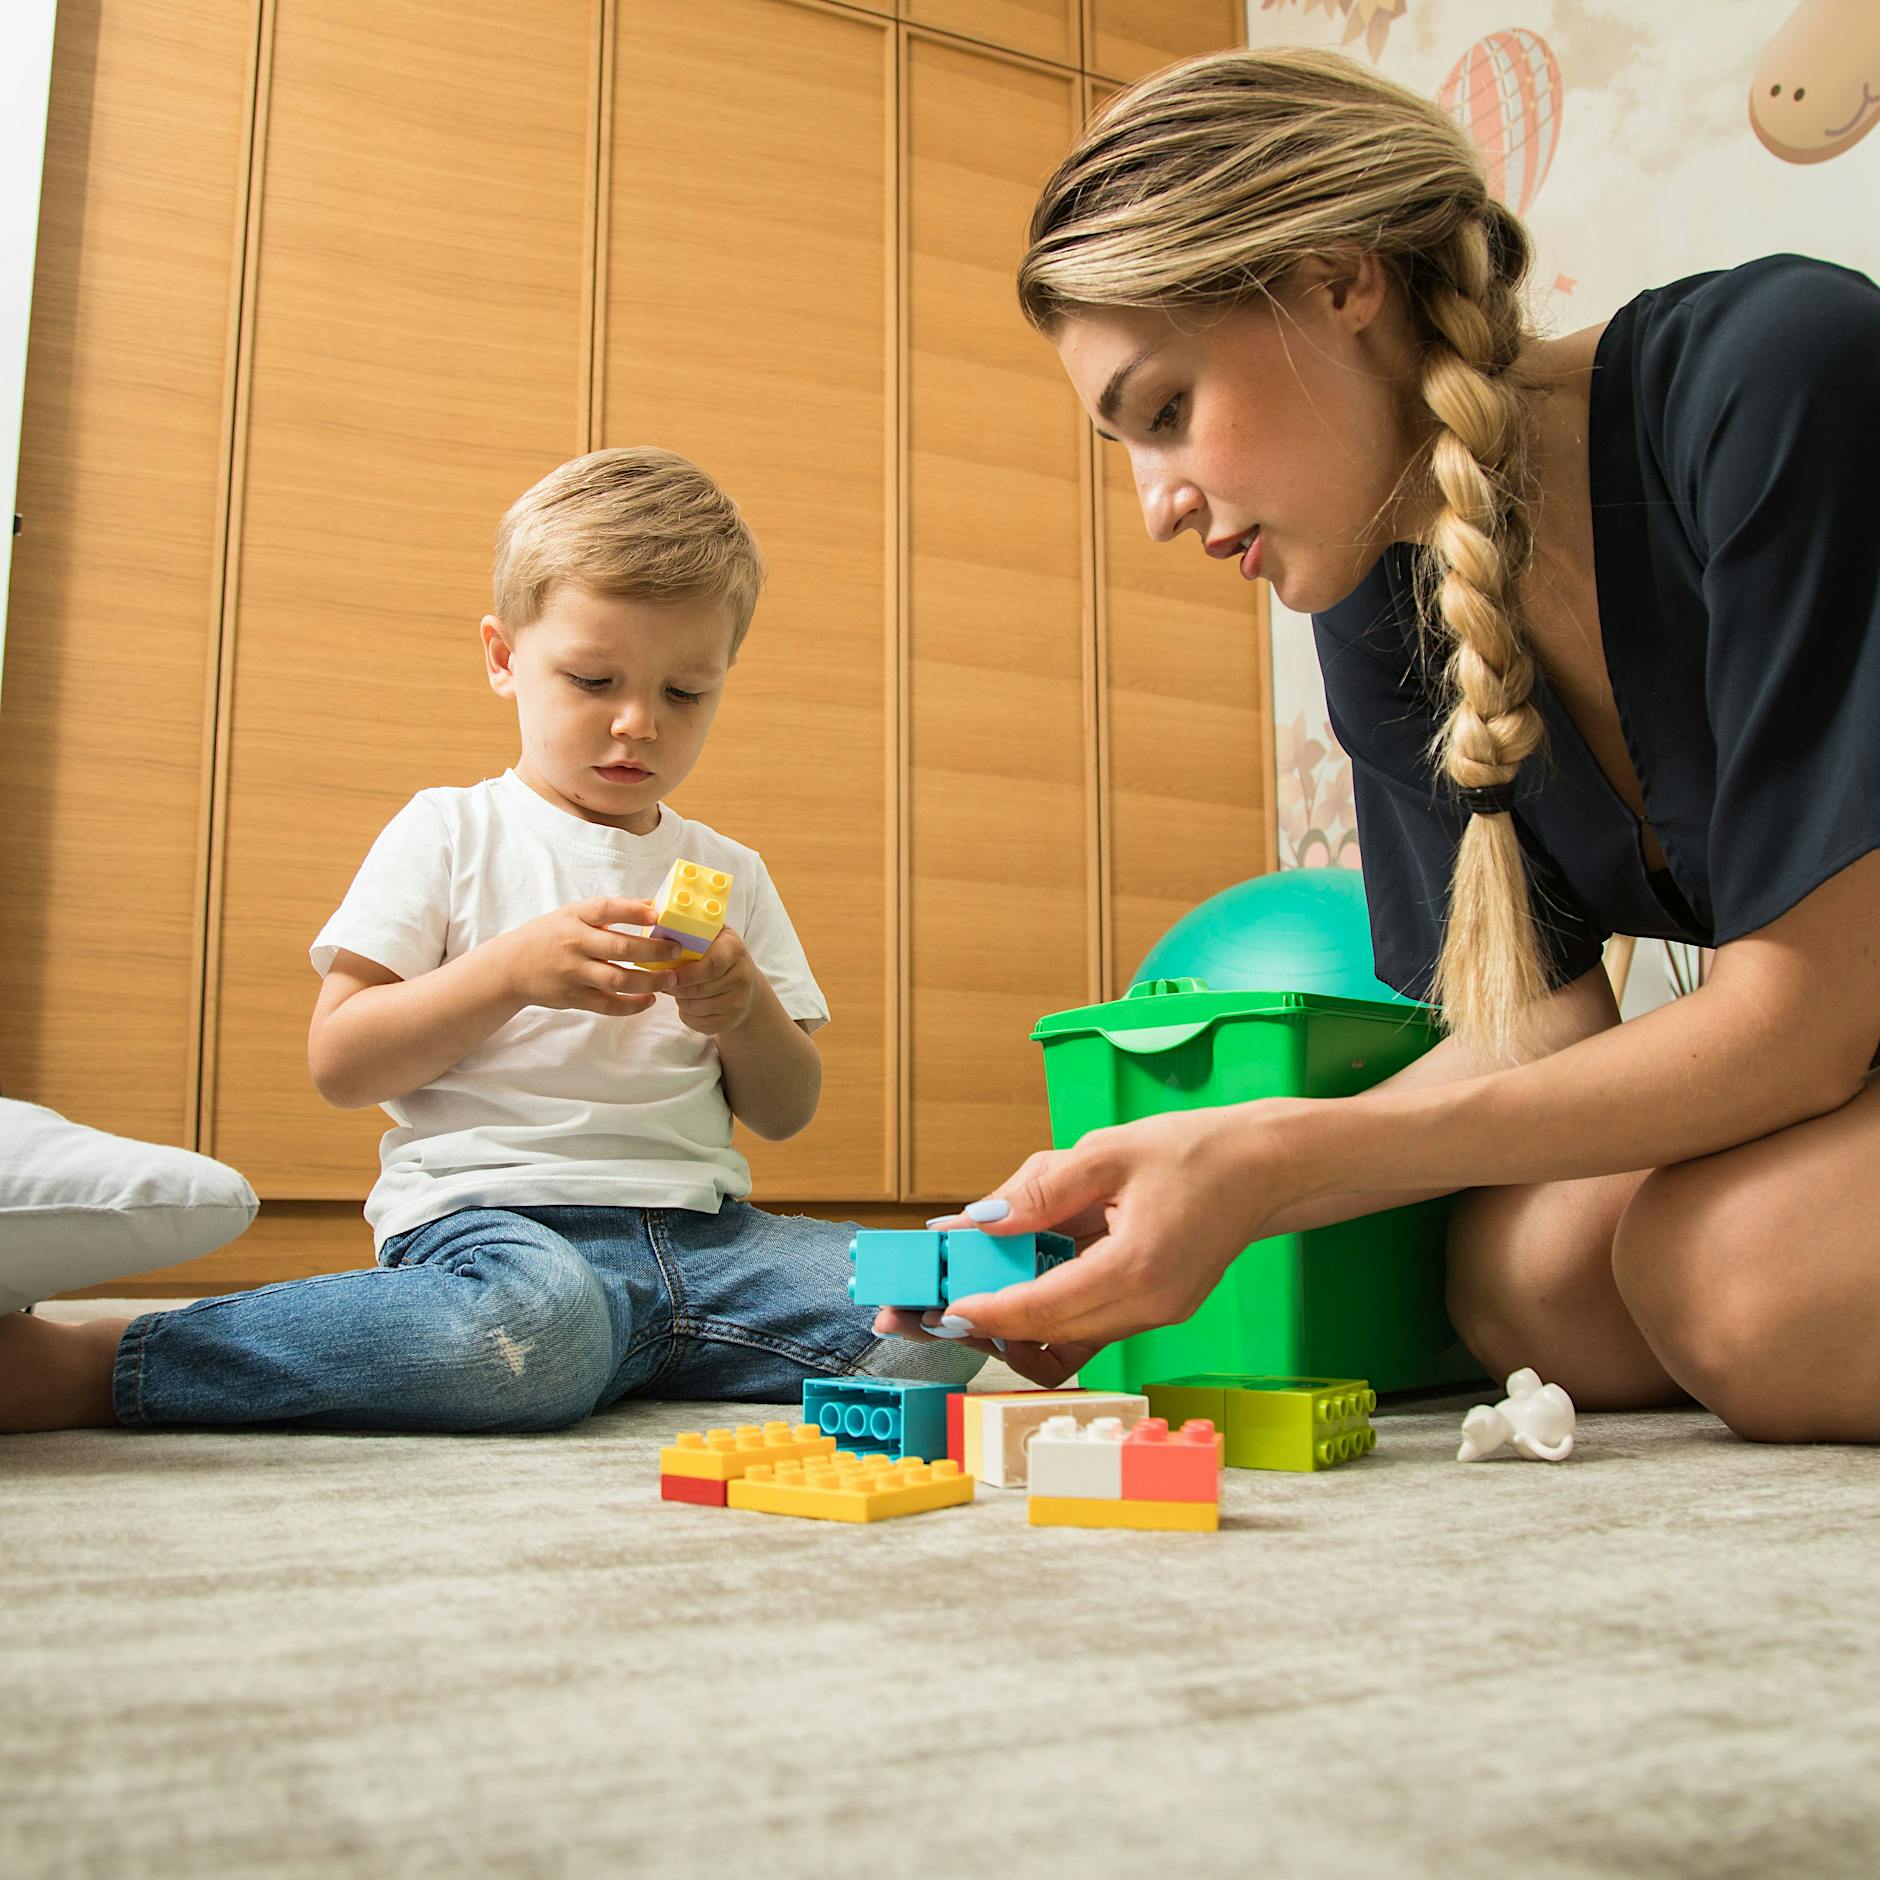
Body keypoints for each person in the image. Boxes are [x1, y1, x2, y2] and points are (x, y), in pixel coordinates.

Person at [878, 47, 1879, 1444]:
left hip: (1837, 1025)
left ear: (1340, 281)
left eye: (1165, 411)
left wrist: (1281, 1156)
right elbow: (1537, 1025)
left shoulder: (1776, 375)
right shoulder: (1379, 595)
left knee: (1738, 1282)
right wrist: (1179, 1181)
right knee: (1527, 1284)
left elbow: (1806, 1017)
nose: (1156, 504)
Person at [0, 447, 978, 1435]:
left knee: (944, 1313)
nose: (637, 722)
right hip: (493, 1232)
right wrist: (506, 973)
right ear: (504, 657)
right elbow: (340, 1061)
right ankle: (107, 1359)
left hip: (708, 1243)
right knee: (534, 1326)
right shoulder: (449, 831)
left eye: (685, 692)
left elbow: (786, 1109)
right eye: (592, 679)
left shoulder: (733, 870)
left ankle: (609, 1350)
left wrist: (742, 1008)